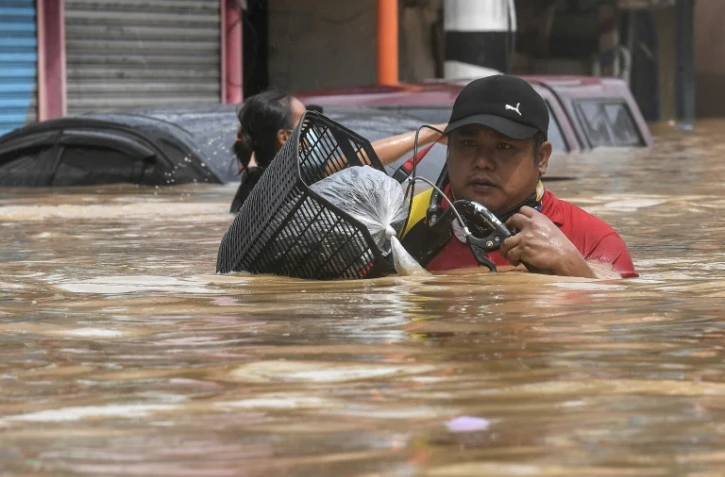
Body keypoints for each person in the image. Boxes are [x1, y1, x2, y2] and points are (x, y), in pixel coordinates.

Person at [401, 75, 637, 278]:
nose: (482, 162)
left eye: (504, 147)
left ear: (542, 158)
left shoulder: (592, 240)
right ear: (449, 149)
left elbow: (617, 312)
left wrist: (570, 266)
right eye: (468, 144)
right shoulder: (402, 221)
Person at [230, 91, 445, 213]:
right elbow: (357, 158)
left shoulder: (253, 181)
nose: (314, 127)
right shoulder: (291, 180)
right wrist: (428, 135)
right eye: (306, 121)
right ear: (284, 137)